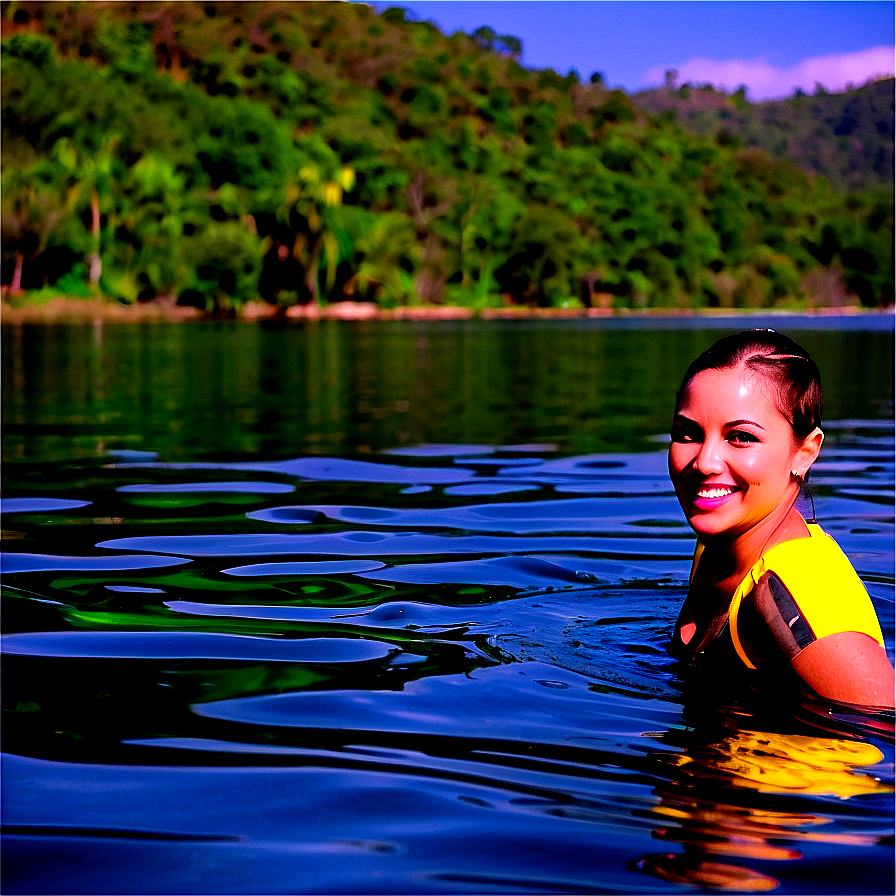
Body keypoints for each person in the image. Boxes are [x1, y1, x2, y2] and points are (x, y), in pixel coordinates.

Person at [667, 329, 894, 708]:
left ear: (805, 452)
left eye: (740, 437)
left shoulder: (792, 590)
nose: (704, 462)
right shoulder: (716, 540)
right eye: (687, 433)